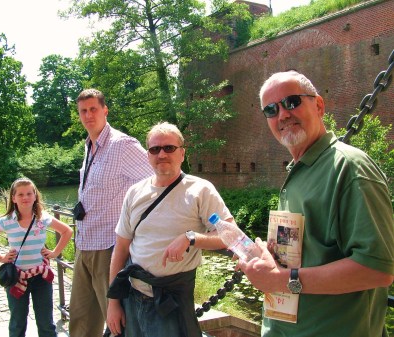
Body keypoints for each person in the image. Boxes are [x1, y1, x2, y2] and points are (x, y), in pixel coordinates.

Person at [236, 70, 394, 336]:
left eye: (292, 102)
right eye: (271, 110)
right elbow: (310, 251)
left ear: (319, 105)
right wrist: (269, 256)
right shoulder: (300, 170)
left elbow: (376, 269)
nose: (282, 114)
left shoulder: (349, 167)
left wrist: (280, 280)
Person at [106, 122, 236, 337]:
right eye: (155, 149)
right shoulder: (134, 193)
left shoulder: (200, 190)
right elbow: (120, 248)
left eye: (169, 148)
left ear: (182, 153)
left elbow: (230, 234)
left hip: (170, 303)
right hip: (132, 297)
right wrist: (113, 302)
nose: (162, 154)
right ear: (148, 155)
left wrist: (191, 237)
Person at [69, 88, 154, 337]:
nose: (88, 115)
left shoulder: (122, 145)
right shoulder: (89, 146)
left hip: (108, 247)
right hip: (84, 243)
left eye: (93, 109)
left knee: (117, 323)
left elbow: (156, 180)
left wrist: (139, 226)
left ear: (105, 110)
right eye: (83, 111)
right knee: (81, 320)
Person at [0, 177, 73, 337]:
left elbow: (66, 231)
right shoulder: (7, 221)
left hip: (41, 276)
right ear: (13, 198)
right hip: (16, 277)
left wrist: (55, 252)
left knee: (46, 324)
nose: (25, 197)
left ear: (35, 196)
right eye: (20, 194)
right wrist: (0, 257)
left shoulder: (42, 219)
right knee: (17, 323)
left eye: (29, 193)